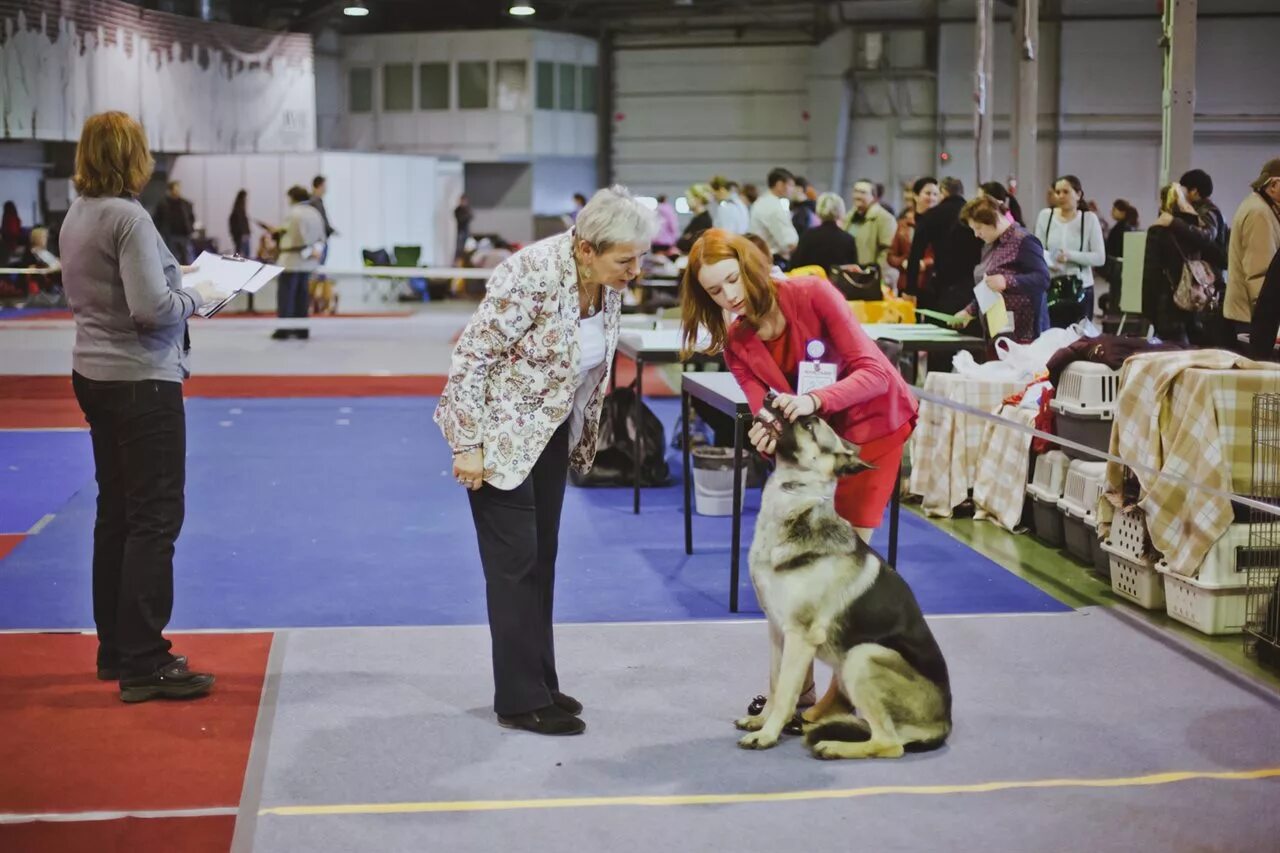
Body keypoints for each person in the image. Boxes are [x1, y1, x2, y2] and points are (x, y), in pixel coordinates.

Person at [435, 185, 657, 736]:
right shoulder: (529, 272)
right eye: (625, 260)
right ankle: (516, 698)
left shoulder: (604, 283)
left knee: (542, 562)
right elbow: (471, 359)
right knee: (513, 570)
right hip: (499, 440)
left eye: (639, 259)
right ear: (586, 249)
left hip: (552, 434)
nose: (636, 270)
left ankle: (540, 682)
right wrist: (467, 445)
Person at [679, 228, 917, 718]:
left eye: (732, 280)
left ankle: (842, 696)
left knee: (838, 580)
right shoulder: (737, 342)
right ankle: (789, 696)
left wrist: (812, 400)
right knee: (785, 582)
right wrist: (766, 430)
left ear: (750, 265)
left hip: (871, 434)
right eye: (714, 291)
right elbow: (766, 410)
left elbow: (873, 372)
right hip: (809, 452)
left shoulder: (812, 293)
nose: (729, 296)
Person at [58, 111, 225, 702]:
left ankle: (116, 649)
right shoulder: (128, 216)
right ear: (134, 156)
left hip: (94, 373)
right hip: (141, 382)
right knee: (155, 519)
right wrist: (200, 295)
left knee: (118, 515)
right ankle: (146, 660)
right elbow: (151, 309)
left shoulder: (78, 213)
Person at [948, 195, 1050, 342]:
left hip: (1025, 334)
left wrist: (1007, 281)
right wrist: (969, 312)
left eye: (978, 228)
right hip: (997, 330)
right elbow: (988, 287)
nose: (976, 234)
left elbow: (1043, 279)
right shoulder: (990, 245)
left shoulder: (1024, 240)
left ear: (993, 219)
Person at [1143, 184, 1218, 345]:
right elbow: (1210, 237)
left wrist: (1148, 310)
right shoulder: (1196, 230)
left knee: (1171, 351)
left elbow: (1151, 272)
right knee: (1195, 347)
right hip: (1196, 299)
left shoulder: (1157, 230)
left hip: (1167, 302)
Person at [1034, 174, 1105, 324]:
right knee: (1051, 336)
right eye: (1057, 192)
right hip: (1051, 287)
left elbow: (1099, 257)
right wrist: (1050, 259)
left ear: (1078, 194)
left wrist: (1070, 255)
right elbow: (1037, 250)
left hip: (1081, 287)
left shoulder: (1089, 219)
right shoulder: (1045, 216)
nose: (1060, 196)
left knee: (1079, 339)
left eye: (1066, 192)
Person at [908, 177, 982, 316]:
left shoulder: (931, 216)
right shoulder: (975, 215)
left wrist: (911, 289)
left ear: (943, 192)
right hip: (974, 283)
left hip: (944, 284)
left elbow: (915, 255)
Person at [1225, 158, 1280, 331]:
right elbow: (1260, 275)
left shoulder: (1260, 207)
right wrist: (1270, 322)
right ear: (1273, 186)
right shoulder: (1260, 214)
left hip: (1250, 316)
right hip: (1252, 318)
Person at [273, 185, 326, 340]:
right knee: (302, 298)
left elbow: (295, 235)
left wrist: (277, 234)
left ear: (293, 197)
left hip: (291, 261)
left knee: (286, 298)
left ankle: (284, 330)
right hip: (307, 262)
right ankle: (302, 329)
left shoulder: (294, 214)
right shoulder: (315, 213)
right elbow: (320, 237)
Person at [889, 177, 940, 294]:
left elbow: (943, 255)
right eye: (928, 193)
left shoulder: (942, 225)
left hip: (932, 285)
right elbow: (891, 255)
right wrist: (903, 262)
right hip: (905, 283)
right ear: (916, 196)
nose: (932, 197)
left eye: (935, 194)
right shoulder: (903, 224)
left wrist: (925, 263)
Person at [789, 192, 859, 272]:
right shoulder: (848, 240)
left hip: (810, 282)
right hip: (835, 284)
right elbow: (852, 269)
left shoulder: (808, 236)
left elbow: (795, 265)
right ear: (841, 211)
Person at [749, 167, 800, 264]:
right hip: (772, 260)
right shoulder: (773, 206)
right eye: (791, 185)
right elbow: (789, 242)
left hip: (760, 256)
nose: (792, 189)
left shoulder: (763, 201)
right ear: (780, 184)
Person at [845, 179, 896, 271]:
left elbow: (887, 252)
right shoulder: (849, 216)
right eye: (855, 191)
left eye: (863, 192)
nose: (858, 196)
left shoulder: (885, 218)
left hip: (870, 275)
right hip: (849, 271)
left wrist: (874, 272)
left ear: (873, 197)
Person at [153, 181, 195, 265]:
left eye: (178, 189)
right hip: (170, 236)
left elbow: (191, 217)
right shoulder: (163, 204)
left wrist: (190, 227)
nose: (177, 191)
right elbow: (157, 219)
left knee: (187, 258)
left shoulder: (186, 204)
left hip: (184, 235)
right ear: (170, 190)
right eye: (175, 189)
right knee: (173, 258)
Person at [1104, 199, 1140, 288]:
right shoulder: (1123, 227)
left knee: (1116, 293)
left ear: (1123, 212)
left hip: (1119, 267)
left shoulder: (1122, 228)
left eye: (1114, 209)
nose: (1111, 212)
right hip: (1119, 267)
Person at [676, 183, 715, 254]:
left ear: (698, 199)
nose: (687, 202)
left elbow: (692, 244)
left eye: (689, 198)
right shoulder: (697, 218)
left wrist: (686, 239)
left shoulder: (704, 220)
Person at [230, 190, 251, 257]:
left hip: (243, 237)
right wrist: (240, 236)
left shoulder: (239, 211)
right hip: (242, 238)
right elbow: (236, 227)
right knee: (243, 257)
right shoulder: (238, 213)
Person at [454, 194, 474, 261]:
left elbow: (470, 217)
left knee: (468, 247)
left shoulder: (468, 209)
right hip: (460, 231)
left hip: (466, 231)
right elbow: (461, 219)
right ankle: (457, 261)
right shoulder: (457, 210)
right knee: (459, 247)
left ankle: (466, 261)